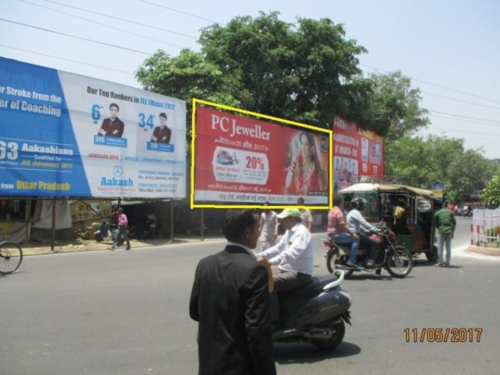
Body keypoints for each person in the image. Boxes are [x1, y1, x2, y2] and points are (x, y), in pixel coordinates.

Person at [189, 209, 276, 375]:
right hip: (238, 367)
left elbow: (195, 312)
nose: (259, 233)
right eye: (258, 228)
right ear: (247, 232)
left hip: (208, 365)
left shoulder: (204, 264)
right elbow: (257, 332)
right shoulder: (255, 270)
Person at [258, 209, 313, 293]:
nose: (281, 222)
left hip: (299, 274)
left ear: (292, 220)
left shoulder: (302, 232)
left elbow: (290, 254)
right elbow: (278, 248)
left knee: (264, 282)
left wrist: (270, 261)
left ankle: (273, 306)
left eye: (283, 219)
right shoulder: (289, 231)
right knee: (259, 275)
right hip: (284, 269)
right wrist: (258, 255)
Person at [285, 131, 325, 195]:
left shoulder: (316, 167)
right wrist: (294, 158)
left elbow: (322, 187)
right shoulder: (297, 162)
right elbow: (287, 186)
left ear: (311, 148)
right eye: (302, 143)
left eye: (306, 144)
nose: (303, 148)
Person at [346, 198, 379, 267]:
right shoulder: (356, 213)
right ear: (358, 205)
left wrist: (366, 231)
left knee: (367, 240)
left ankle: (364, 258)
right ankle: (370, 261)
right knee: (373, 243)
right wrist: (376, 230)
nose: (363, 206)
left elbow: (357, 226)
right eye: (362, 204)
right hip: (355, 234)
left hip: (352, 233)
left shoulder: (351, 212)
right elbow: (364, 223)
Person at [327, 196, 360, 267]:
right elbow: (342, 226)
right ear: (340, 203)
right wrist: (352, 234)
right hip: (337, 235)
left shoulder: (331, 210)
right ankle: (352, 260)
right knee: (356, 239)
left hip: (332, 234)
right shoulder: (338, 212)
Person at [434, 201, 456, 267]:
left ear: (437, 207)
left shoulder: (437, 213)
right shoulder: (450, 212)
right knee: (448, 247)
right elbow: (454, 223)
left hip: (441, 231)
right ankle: (447, 262)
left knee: (440, 247)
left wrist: (439, 228)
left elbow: (436, 224)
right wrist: (452, 232)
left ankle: (440, 262)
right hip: (449, 231)